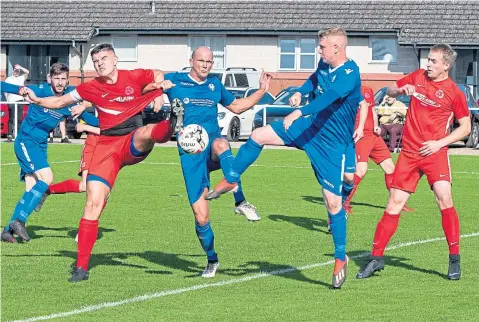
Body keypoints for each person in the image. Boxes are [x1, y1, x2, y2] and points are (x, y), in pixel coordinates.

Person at [207, 28, 363, 289]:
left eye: (322, 46)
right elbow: (315, 80)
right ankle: (232, 178)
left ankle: (340, 257)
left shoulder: (350, 74)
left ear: (337, 47)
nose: (319, 50)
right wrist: (301, 91)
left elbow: (328, 98)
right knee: (258, 135)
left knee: (333, 204)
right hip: (310, 128)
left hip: (331, 144)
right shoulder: (324, 65)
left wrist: (299, 111)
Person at [21, 43, 176, 283]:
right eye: (95, 61)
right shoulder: (89, 88)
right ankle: (81, 268)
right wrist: (37, 100)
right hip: (106, 147)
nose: (100, 63)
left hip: (131, 140)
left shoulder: (133, 76)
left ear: (115, 59)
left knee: (146, 132)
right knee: (93, 203)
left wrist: (160, 90)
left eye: (104, 58)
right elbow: (59, 103)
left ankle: (172, 123)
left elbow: (156, 74)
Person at [356, 44, 471, 281]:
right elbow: (390, 90)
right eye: (428, 60)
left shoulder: (454, 92)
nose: (428, 64)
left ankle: (454, 259)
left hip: (435, 154)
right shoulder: (417, 77)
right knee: (393, 204)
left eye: (433, 61)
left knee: (444, 199)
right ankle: (376, 258)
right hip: (409, 153)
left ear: (446, 65)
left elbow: (466, 127)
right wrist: (400, 91)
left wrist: (440, 143)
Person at [162, 46, 271, 278]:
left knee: (222, 144)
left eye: (209, 62)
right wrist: (155, 88)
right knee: (201, 217)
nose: (205, 65)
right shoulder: (175, 80)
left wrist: (262, 90)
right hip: (191, 153)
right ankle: (212, 259)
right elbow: (147, 82)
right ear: (191, 61)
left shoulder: (214, 85)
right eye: (201, 60)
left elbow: (238, 106)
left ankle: (239, 201)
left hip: (211, 144)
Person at [1, 63, 98, 244]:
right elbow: (3, 86)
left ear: (67, 79)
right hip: (26, 141)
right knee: (47, 177)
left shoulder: (70, 97)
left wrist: (89, 110)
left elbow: (91, 99)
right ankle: (19, 221)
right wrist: (19, 89)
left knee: (31, 190)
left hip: (41, 146)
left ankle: (7, 231)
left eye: (63, 79)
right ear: (49, 79)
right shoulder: (39, 90)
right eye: (56, 78)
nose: (60, 83)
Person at [342, 86, 414, 214]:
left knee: (390, 169)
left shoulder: (368, 90)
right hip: (361, 136)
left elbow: (372, 110)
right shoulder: (346, 92)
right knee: (361, 171)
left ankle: (397, 202)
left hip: (374, 136)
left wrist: (376, 126)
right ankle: (344, 202)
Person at [5, 64, 30, 141]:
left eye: (18, 71)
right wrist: (7, 100)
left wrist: (20, 67)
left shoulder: (21, 78)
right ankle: (9, 135)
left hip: (20, 100)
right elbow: (5, 90)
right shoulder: (8, 79)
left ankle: (19, 135)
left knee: (19, 119)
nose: (17, 72)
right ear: (13, 70)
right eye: (15, 70)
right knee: (11, 118)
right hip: (11, 101)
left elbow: (27, 72)